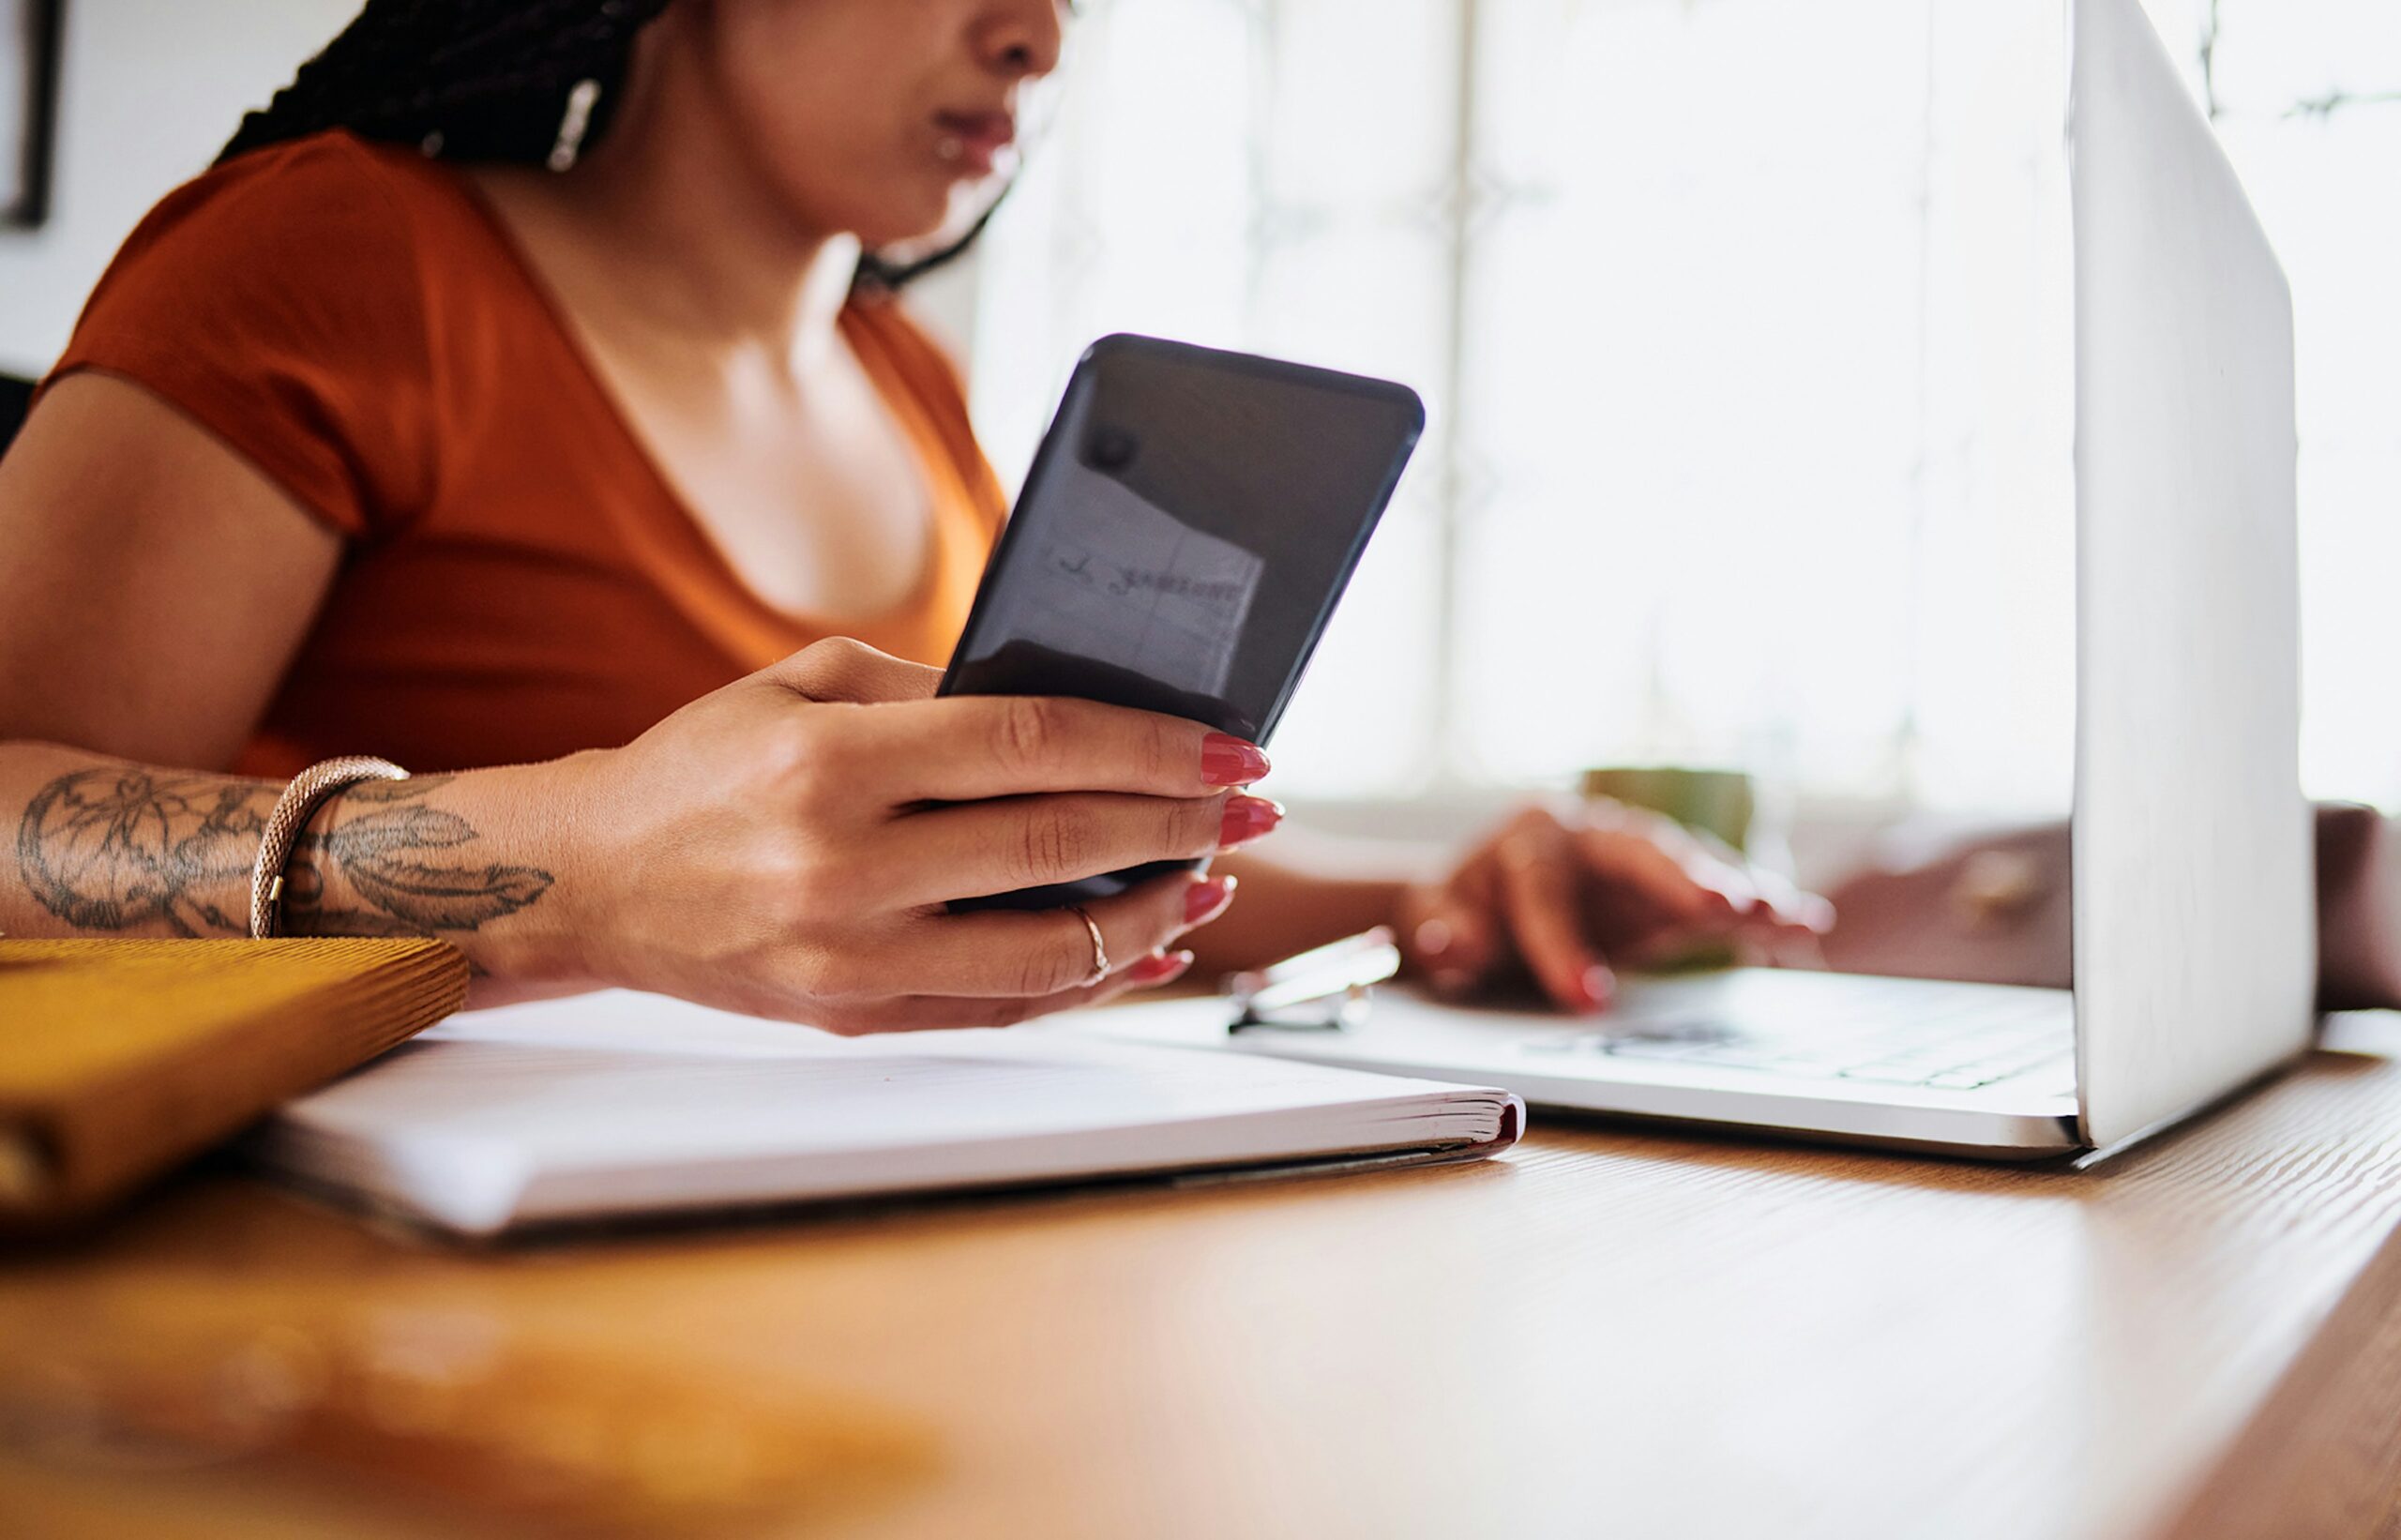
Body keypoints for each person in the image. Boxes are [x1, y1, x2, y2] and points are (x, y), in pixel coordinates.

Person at [0, 0, 1822, 1033]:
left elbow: (995, 864)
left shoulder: (912, 390)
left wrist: (1441, 883)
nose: (1032, 35)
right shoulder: (328, 254)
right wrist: (572, 868)